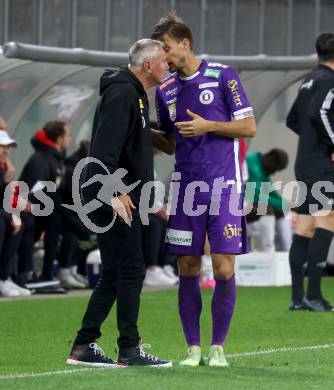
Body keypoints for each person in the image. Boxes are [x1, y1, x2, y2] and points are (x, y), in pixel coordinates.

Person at [151, 13, 256, 366]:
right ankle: (193, 348)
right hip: (185, 189)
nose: (163, 58)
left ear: (185, 43)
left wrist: (208, 125)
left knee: (224, 268)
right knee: (188, 265)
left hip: (224, 186)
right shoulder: (165, 89)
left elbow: (249, 127)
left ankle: (218, 347)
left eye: (166, 49)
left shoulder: (223, 75)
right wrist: (140, 131)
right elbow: (170, 141)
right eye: (159, 52)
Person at [67, 39, 172, 367]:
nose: (168, 66)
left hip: (124, 198)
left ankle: (84, 346)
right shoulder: (123, 94)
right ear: (147, 66)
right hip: (112, 199)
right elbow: (103, 151)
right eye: (164, 62)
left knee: (115, 273)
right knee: (130, 269)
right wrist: (111, 192)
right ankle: (130, 348)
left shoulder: (135, 96)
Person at [286, 32, 334, 312]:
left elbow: (294, 119)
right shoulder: (329, 80)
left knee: (304, 227)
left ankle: (297, 297)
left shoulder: (308, 80)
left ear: (318, 54)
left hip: (304, 161)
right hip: (321, 164)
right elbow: (321, 113)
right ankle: (314, 295)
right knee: (326, 222)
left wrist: (312, 141)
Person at [17, 121, 72, 290]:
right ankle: (31, 273)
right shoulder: (41, 159)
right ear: (59, 138)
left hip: (43, 211)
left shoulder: (57, 158)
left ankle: (51, 272)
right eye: (67, 135)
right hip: (27, 211)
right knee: (55, 217)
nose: (70, 139)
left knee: (62, 219)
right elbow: (35, 190)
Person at [0, 121, 30, 297]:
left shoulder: (3, 168)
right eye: (2, 146)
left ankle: (5, 278)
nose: (6, 151)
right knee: (4, 222)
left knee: (19, 221)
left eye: (8, 147)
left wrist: (7, 178)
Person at [246, 149, 292, 252]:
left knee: (281, 211)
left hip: (251, 205)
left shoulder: (264, 169)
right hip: (235, 202)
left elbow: (271, 192)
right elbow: (254, 194)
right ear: (269, 158)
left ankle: (287, 251)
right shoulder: (250, 161)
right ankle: (269, 250)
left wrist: (286, 205)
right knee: (267, 209)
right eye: (275, 169)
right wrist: (284, 204)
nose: (274, 173)